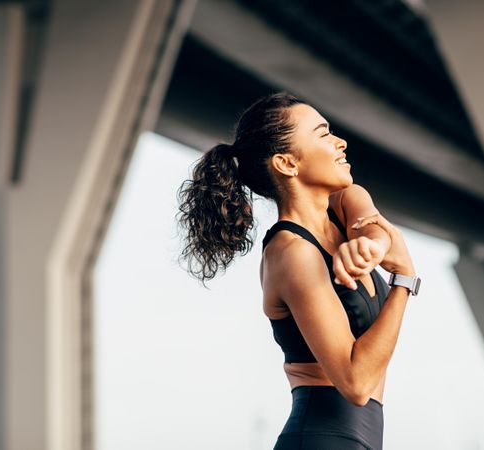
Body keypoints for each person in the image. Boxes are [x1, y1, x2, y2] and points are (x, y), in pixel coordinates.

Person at [177, 92, 419, 449]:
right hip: (322, 438)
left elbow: (371, 224)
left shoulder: (343, 205)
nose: (340, 142)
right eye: (323, 135)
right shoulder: (291, 253)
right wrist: (403, 282)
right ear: (287, 164)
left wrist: (376, 244)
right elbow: (355, 383)